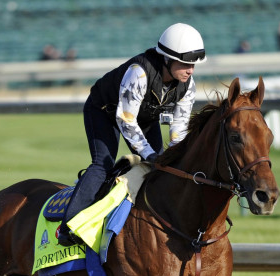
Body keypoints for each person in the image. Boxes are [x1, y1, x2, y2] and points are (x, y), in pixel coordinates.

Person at [57, 23, 207, 246]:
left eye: (193, 65)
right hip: (104, 111)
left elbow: (179, 129)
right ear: (167, 58)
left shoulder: (188, 85)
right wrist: (148, 153)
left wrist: (175, 157)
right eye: (185, 63)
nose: (190, 70)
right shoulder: (139, 73)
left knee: (160, 168)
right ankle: (68, 227)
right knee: (102, 165)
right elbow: (125, 120)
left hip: (142, 118)